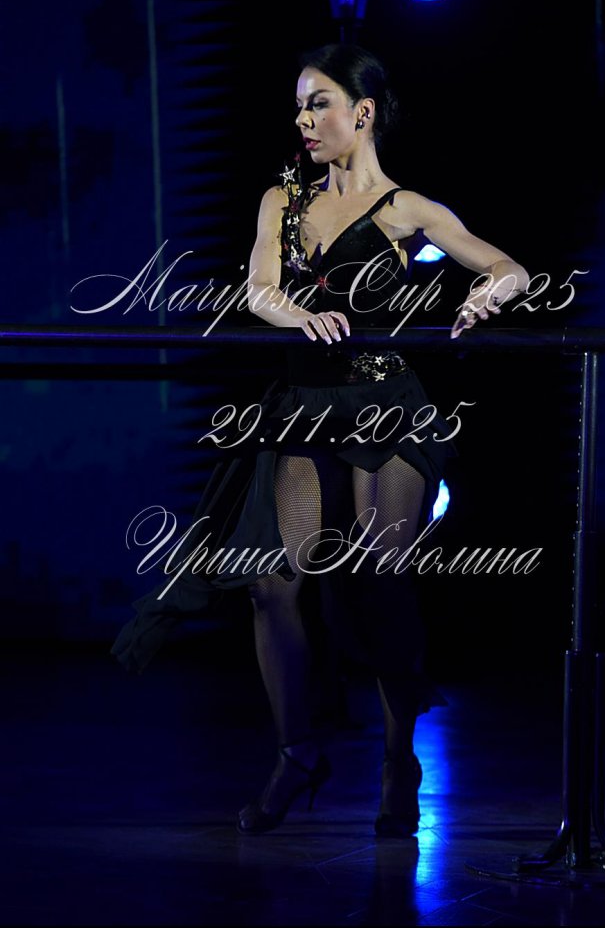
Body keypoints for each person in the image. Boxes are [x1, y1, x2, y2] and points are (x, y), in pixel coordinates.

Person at [111, 43, 530, 838]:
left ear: (361, 112)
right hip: (306, 404)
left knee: (378, 582)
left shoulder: (407, 209)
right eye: (299, 105)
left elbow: (510, 267)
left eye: (318, 102)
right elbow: (259, 290)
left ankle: (398, 758)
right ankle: (297, 751)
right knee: (272, 583)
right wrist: (300, 315)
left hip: (386, 407)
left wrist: (487, 297)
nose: (303, 119)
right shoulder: (284, 199)